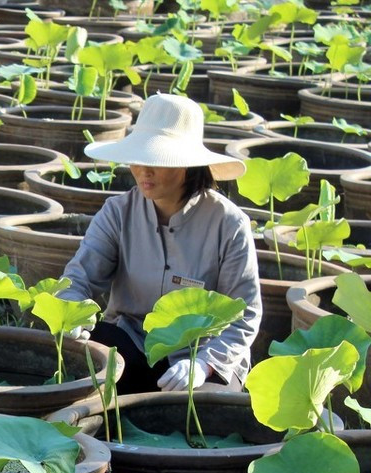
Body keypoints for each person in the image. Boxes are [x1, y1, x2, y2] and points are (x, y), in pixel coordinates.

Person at [59, 93, 262, 395]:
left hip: (201, 353)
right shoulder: (117, 212)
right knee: (78, 366)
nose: (144, 170)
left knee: (202, 414)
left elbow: (245, 314)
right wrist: (71, 313)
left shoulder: (229, 224)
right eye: (138, 159)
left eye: (156, 160)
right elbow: (78, 279)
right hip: (130, 341)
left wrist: (203, 365)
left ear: (188, 165)